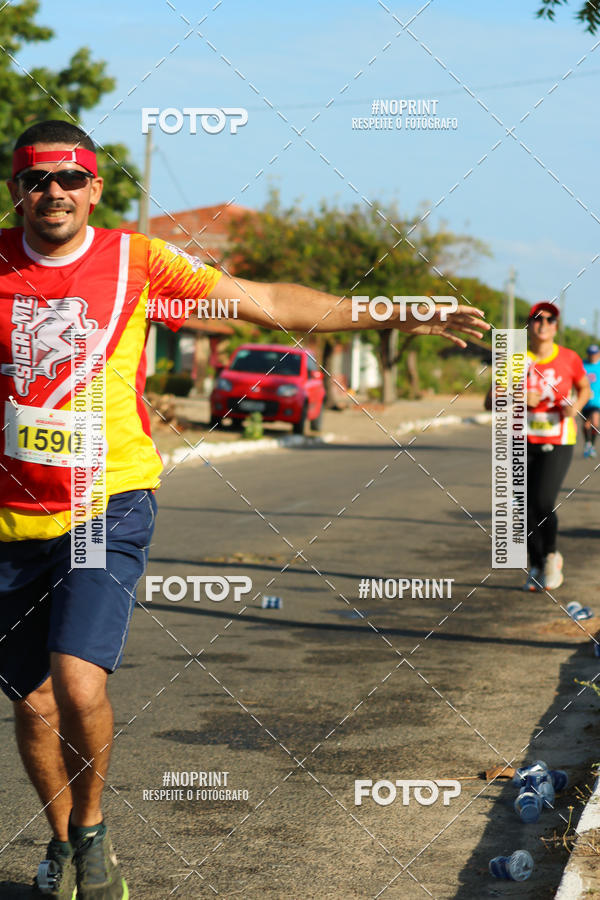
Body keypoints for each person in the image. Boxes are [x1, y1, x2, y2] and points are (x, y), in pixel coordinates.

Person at [0, 120, 489, 900]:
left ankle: (91, 834)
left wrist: (395, 311)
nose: (51, 192)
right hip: (10, 521)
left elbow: (265, 299)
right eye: (34, 178)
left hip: (104, 501)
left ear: (95, 187)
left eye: (69, 178)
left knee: (77, 684)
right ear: (16, 187)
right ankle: (60, 845)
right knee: (32, 707)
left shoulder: (136, 259)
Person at [523, 302, 590, 591]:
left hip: (558, 438)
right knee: (521, 508)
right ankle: (536, 564)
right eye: (538, 318)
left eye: (550, 319)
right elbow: (490, 401)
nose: (544, 323)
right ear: (529, 325)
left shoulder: (569, 358)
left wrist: (575, 406)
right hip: (520, 439)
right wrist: (518, 398)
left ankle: (551, 556)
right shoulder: (514, 360)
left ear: (556, 327)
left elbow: (584, 388)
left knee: (542, 501)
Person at [582, 343, 600, 458]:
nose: (592, 356)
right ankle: (588, 444)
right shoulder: (582, 365)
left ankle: (591, 445)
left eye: (594, 354)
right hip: (584, 400)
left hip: (597, 401)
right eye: (590, 354)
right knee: (586, 426)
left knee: (595, 422)